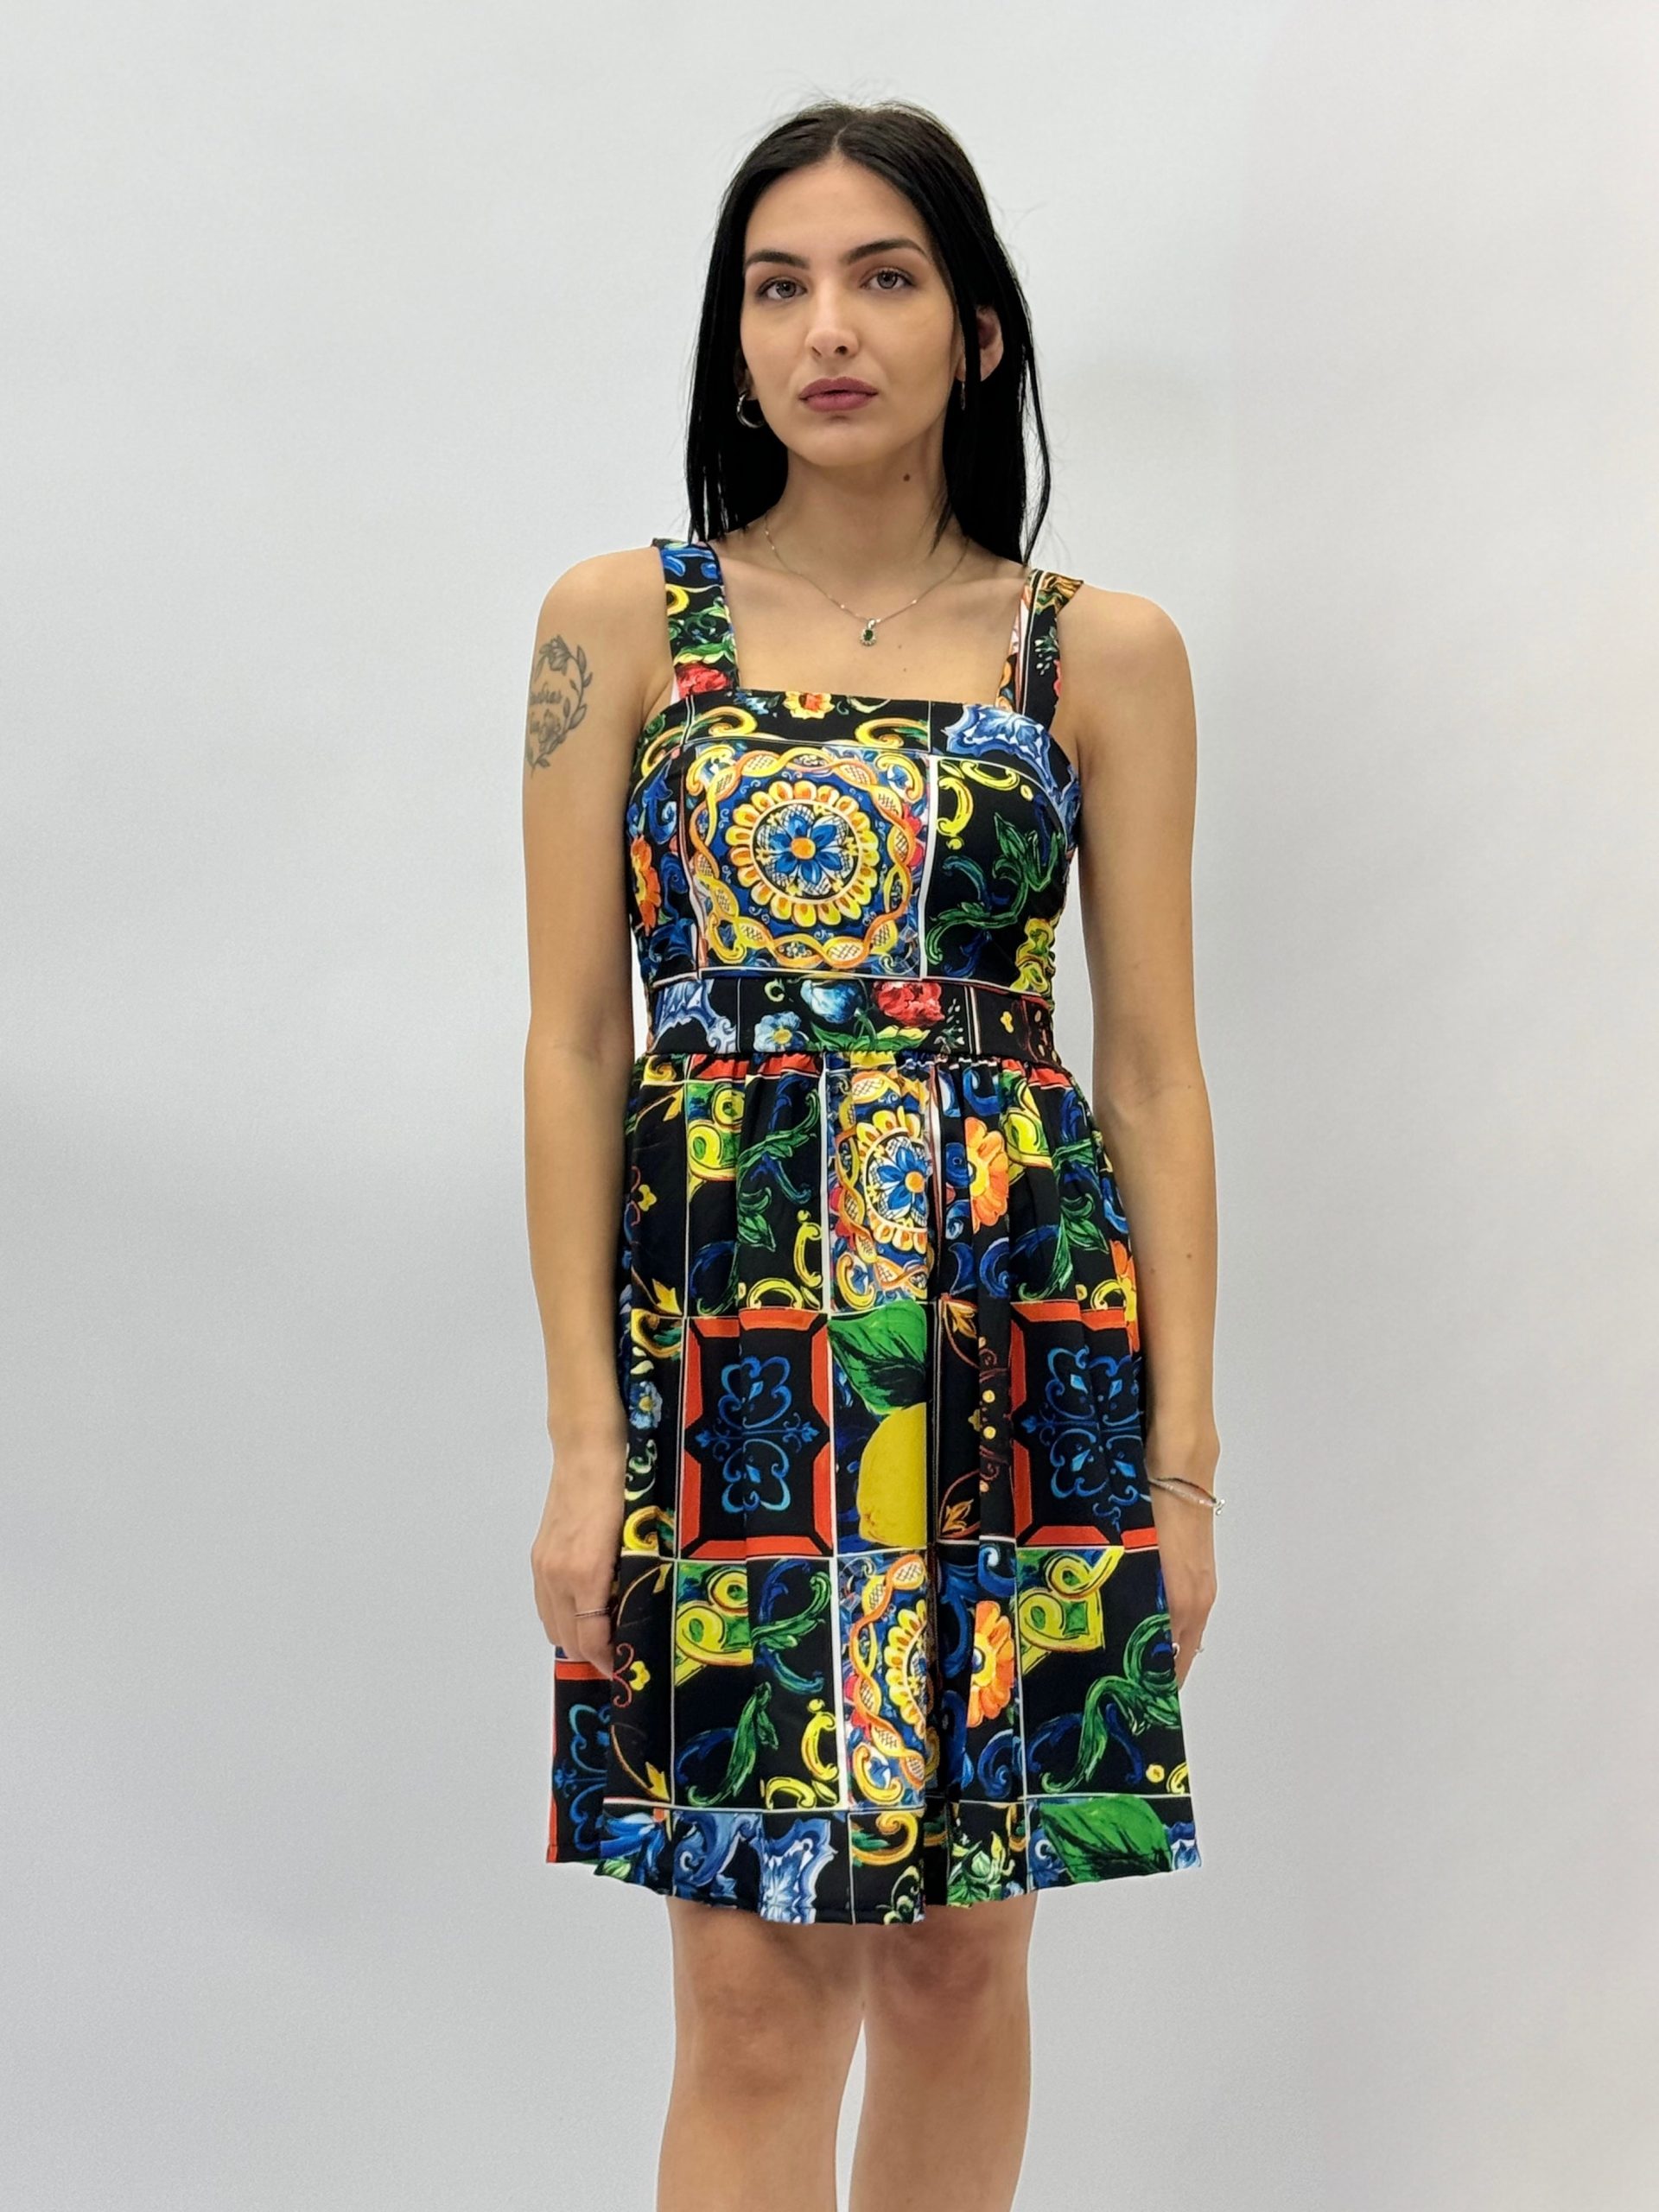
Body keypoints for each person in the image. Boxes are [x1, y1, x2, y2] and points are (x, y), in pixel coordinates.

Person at [523, 97, 1221, 2212]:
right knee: (750, 1994)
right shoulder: (619, 625)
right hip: (734, 1364)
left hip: (1018, 1353)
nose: (827, 327)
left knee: (955, 1961)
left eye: (883, 277)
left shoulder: (1096, 649)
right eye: (779, 285)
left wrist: (1183, 1464)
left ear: (978, 331)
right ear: (735, 339)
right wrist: (586, 1442)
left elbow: (1153, 1071)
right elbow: (575, 1044)